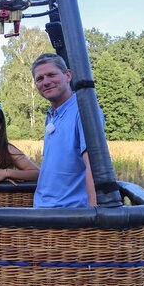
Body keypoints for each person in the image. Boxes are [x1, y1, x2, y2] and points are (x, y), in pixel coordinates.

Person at [31, 53, 101, 208]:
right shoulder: (51, 114)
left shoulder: (83, 109)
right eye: (40, 79)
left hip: (69, 214)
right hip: (43, 209)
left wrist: (94, 213)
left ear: (68, 75)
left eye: (51, 75)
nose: (46, 82)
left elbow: (94, 164)